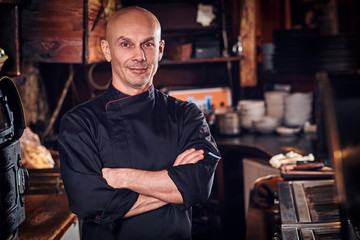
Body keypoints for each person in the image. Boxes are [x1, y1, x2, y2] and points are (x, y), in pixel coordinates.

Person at [58, 6, 220, 240]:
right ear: (107, 49)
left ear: (160, 49)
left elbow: (198, 186)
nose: (139, 56)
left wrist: (122, 178)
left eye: (148, 44)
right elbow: (89, 203)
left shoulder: (186, 114)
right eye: (126, 44)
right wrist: (174, 183)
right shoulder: (80, 122)